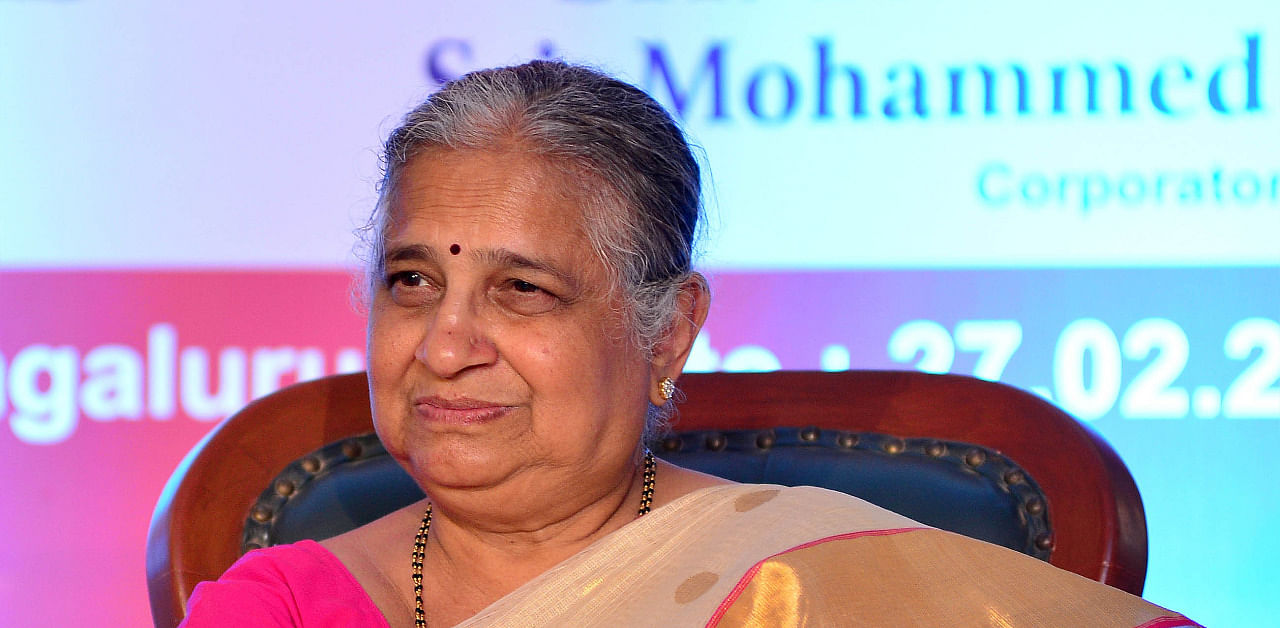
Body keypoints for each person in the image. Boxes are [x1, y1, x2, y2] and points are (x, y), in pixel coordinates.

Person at [180, 60, 1196, 627]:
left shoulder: (801, 586)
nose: (445, 346)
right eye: (412, 282)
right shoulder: (283, 609)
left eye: (520, 290)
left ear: (667, 331)